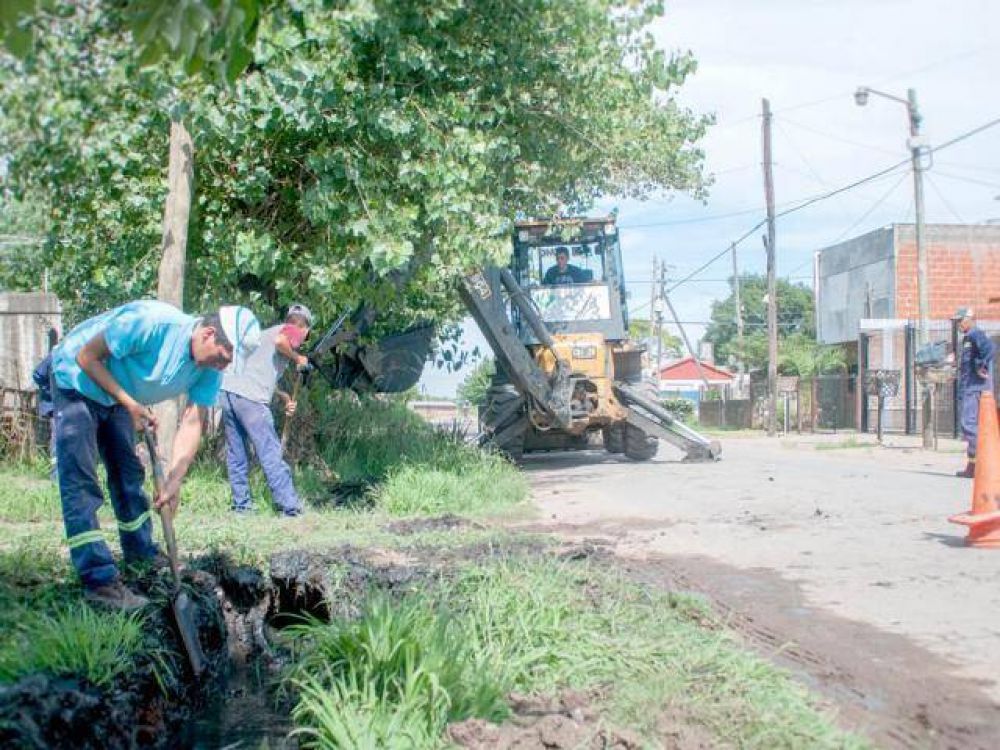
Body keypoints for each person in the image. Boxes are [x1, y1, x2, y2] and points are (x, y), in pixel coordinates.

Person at [51, 300, 261, 610]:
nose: (227, 363)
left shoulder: (209, 369)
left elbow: (193, 420)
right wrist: (129, 403)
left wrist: (174, 479)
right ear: (209, 334)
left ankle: (141, 554)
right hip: (76, 379)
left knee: (128, 475)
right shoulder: (151, 323)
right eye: (226, 353)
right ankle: (99, 581)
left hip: (117, 395)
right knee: (81, 481)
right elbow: (87, 357)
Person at [219, 303, 313, 516]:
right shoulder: (288, 333)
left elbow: (257, 369)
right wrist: (299, 358)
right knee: (269, 451)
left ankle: (241, 506)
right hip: (250, 399)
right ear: (305, 329)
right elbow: (281, 342)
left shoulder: (264, 333)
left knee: (237, 453)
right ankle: (290, 507)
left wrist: (283, 396)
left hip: (228, 391)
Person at [955, 307, 996, 478]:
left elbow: (990, 349)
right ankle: (975, 465)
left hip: (975, 389)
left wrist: (981, 365)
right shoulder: (968, 338)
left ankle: (980, 464)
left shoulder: (974, 334)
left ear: (969, 319)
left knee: (969, 425)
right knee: (976, 427)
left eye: (960, 320)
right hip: (973, 387)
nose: (958, 324)